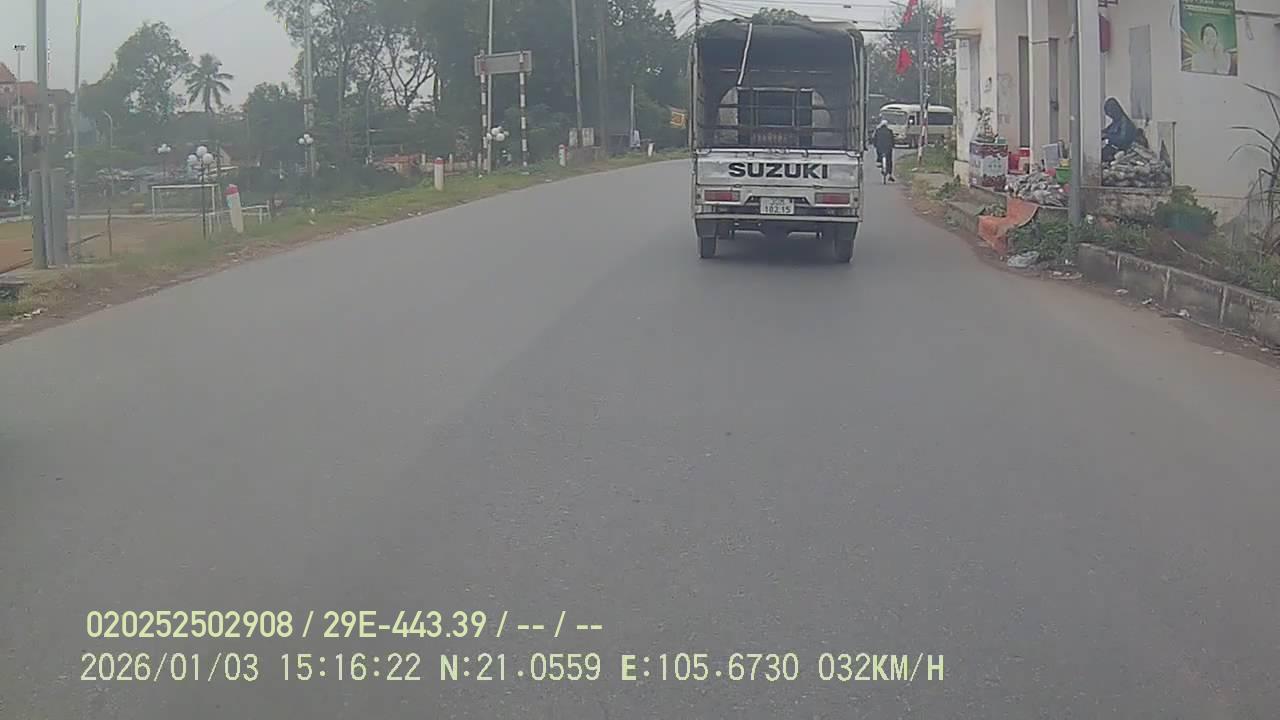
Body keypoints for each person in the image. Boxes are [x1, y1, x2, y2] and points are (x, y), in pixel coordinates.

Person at [1102, 97, 1145, 164]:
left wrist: (1108, 136)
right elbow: (1107, 131)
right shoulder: (1116, 122)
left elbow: (1123, 140)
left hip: (1121, 151)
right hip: (1112, 148)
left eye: (1110, 113)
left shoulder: (1124, 123)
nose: (1110, 116)